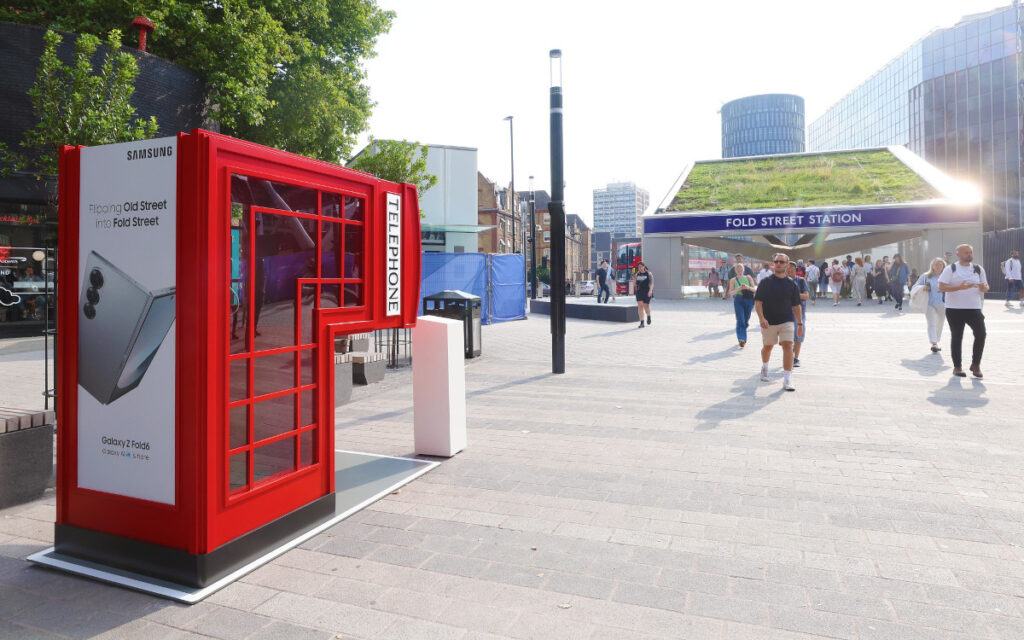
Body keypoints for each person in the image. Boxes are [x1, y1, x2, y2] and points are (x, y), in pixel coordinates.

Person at [938, 244, 989, 378]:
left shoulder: (978, 269)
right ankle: (957, 367)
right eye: (966, 253)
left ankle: (976, 364)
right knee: (957, 337)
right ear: (958, 254)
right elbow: (941, 287)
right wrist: (960, 288)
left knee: (981, 334)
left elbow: (985, 286)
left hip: (974, 308)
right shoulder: (951, 269)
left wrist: (984, 288)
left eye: (971, 252)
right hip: (954, 309)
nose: (969, 255)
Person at [754, 253, 803, 391]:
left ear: (787, 264)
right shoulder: (765, 282)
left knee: (787, 345)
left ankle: (787, 380)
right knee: (768, 347)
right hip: (769, 322)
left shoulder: (791, 284)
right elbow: (758, 302)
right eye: (776, 261)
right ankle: (764, 367)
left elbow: (796, 306)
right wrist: (761, 318)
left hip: (786, 321)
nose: (779, 263)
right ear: (773, 263)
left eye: (782, 261)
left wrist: (799, 324)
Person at [916, 257, 947, 353]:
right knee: (931, 323)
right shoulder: (925, 276)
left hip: (943, 303)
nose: (938, 266)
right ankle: (934, 343)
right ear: (932, 266)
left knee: (940, 323)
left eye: (941, 264)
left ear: (943, 266)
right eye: (936, 264)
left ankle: (936, 339)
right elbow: (915, 286)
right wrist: (923, 287)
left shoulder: (946, 276)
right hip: (929, 303)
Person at [728, 258, 757, 348]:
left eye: (741, 270)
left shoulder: (748, 277)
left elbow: (755, 289)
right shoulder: (733, 280)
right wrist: (739, 288)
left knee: (746, 320)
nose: (740, 271)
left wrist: (747, 287)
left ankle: (743, 329)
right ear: (735, 271)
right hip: (739, 300)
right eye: (738, 270)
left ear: (743, 270)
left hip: (749, 300)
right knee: (740, 320)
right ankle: (741, 339)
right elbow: (731, 293)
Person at [787, 262, 809, 367]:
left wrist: (795, 295)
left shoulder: (801, 281)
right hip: (785, 313)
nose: (790, 271)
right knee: (787, 337)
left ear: (796, 270)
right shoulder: (782, 281)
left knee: (799, 335)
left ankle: (796, 358)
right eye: (788, 269)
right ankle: (789, 354)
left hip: (798, 313)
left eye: (792, 269)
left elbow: (806, 296)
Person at [634, 262, 653, 328]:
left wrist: (650, 291)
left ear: (644, 266)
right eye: (638, 267)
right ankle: (642, 322)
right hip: (639, 292)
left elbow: (651, 283)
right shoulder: (637, 274)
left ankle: (648, 315)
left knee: (646, 306)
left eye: (641, 266)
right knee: (640, 306)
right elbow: (635, 284)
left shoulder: (649, 274)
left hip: (646, 291)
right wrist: (635, 278)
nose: (639, 268)